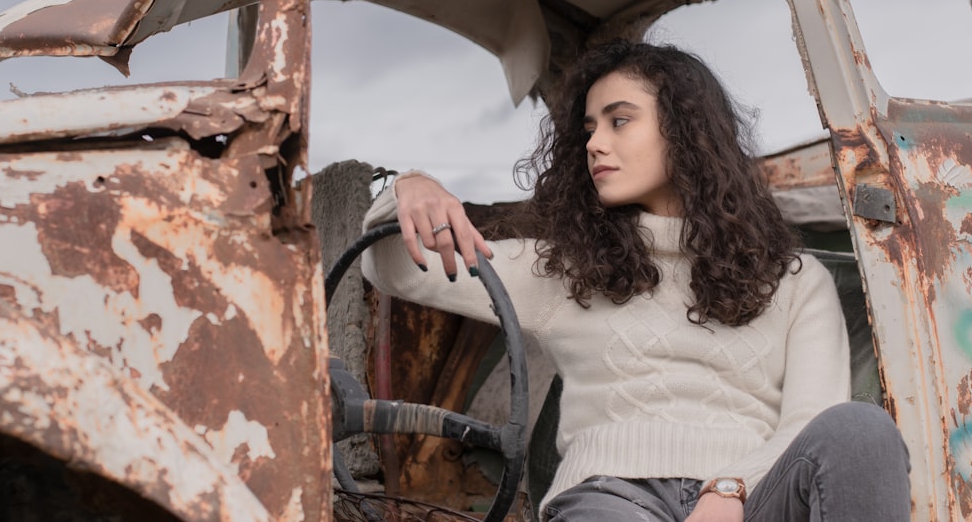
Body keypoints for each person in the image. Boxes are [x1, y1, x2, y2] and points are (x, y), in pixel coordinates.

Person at [361, 40, 910, 521]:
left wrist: (729, 488)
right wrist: (409, 187)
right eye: (589, 129)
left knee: (862, 431)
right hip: (612, 499)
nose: (595, 143)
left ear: (685, 131)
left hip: (753, 499)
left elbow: (811, 420)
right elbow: (391, 267)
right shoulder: (561, 268)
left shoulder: (793, 280)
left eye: (619, 121)